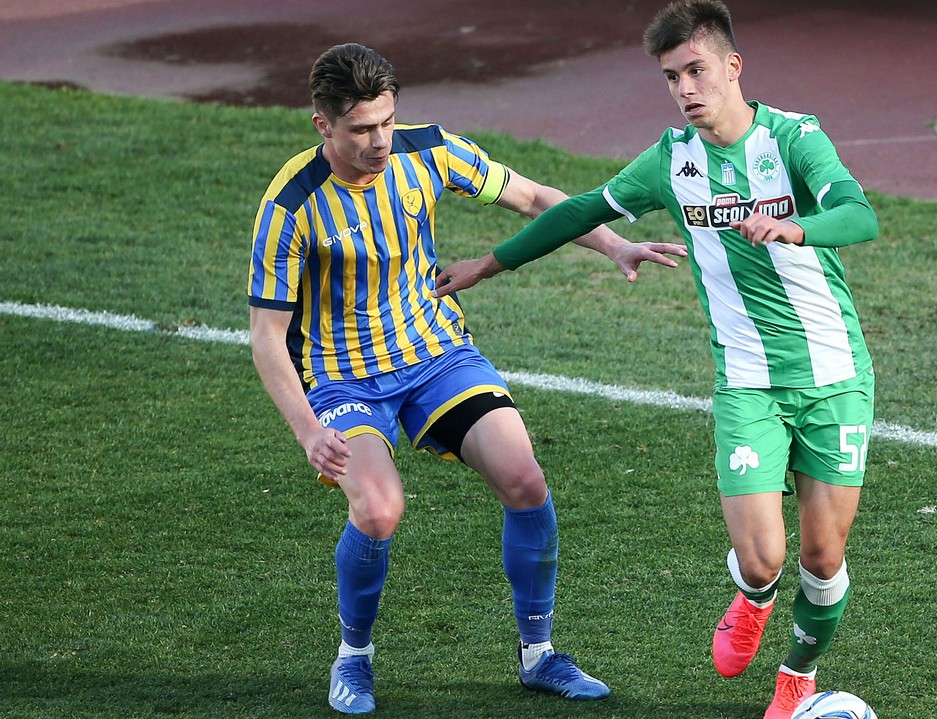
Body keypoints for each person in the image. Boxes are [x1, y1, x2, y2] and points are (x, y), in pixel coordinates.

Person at [432, 2, 879, 718]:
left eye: (697, 71)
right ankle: (754, 592)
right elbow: (581, 210)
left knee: (823, 560)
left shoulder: (795, 140)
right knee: (764, 558)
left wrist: (794, 227)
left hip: (835, 378)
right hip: (749, 385)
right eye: (672, 77)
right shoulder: (671, 162)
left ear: (733, 67)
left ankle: (796, 677)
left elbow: (860, 215)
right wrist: (489, 263)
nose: (685, 89)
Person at [246, 42, 686, 715]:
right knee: (378, 509)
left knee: (524, 479)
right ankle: (353, 658)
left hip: (435, 354)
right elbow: (267, 337)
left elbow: (533, 196)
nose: (379, 141)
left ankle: (538, 654)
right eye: (361, 129)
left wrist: (614, 243)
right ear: (322, 124)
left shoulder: (428, 150)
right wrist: (308, 431)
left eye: (387, 121)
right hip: (343, 379)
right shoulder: (290, 204)